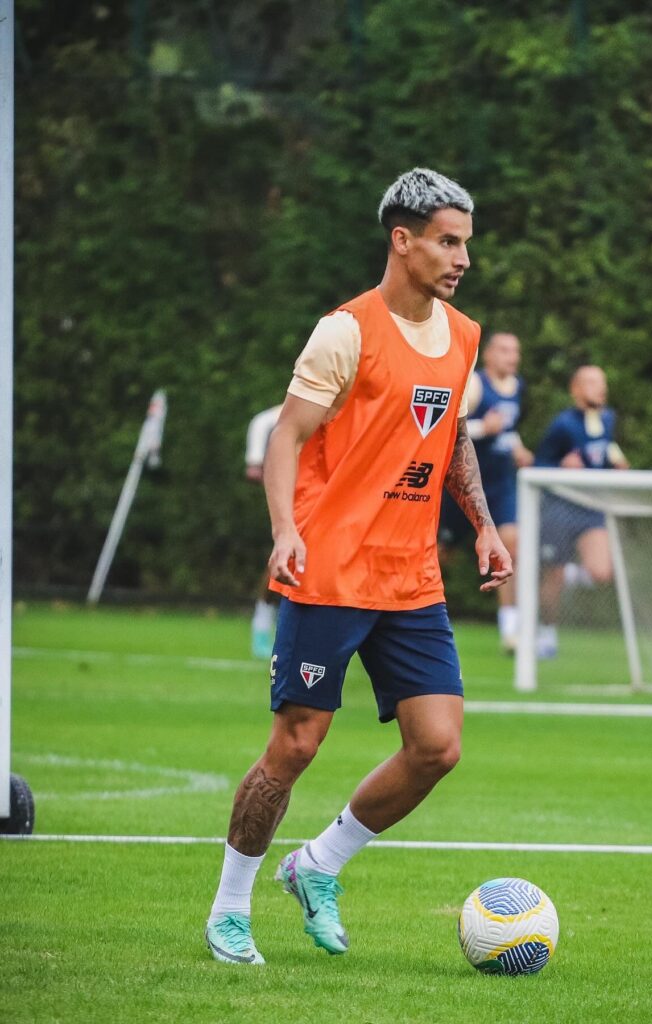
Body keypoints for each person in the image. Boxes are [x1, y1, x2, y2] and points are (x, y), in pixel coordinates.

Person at [205, 167, 513, 966]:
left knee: (437, 747)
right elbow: (286, 436)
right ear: (401, 241)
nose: (462, 260)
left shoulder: (464, 334)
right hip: (330, 571)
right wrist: (283, 529)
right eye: (448, 242)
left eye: (466, 244)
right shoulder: (343, 331)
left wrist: (482, 524)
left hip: (410, 576)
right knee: (295, 747)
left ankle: (317, 865)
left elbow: (449, 437)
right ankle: (230, 907)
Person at [438, 331, 533, 652]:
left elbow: (508, 428)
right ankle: (421, 616)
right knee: (438, 556)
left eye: (516, 351)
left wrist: (518, 448)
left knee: (512, 547)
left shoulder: (518, 387)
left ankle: (511, 631)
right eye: (505, 350)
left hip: (499, 487)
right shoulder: (476, 385)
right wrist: (482, 429)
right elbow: (450, 428)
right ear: (489, 355)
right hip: (463, 488)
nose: (512, 357)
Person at [534, 365, 628, 658]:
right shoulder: (562, 425)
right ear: (575, 390)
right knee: (553, 578)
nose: (600, 388)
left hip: (591, 508)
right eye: (591, 382)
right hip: (560, 508)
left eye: (602, 382)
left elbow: (605, 449)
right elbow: (538, 465)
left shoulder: (608, 418)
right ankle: (547, 634)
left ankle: (571, 573)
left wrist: (617, 463)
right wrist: (560, 467)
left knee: (602, 572)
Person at [245, 405, 283, 658]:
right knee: (283, 557)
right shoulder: (273, 419)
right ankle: (262, 624)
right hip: (293, 499)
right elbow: (254, 469)